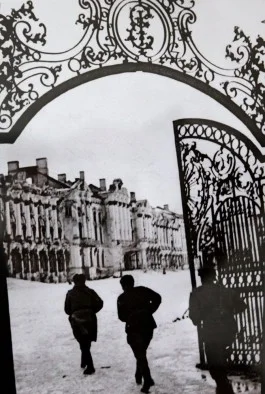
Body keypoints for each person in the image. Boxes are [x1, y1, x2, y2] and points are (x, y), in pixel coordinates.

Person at [189, 266, 247, 394]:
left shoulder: (196, 293)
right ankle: (223, 382)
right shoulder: (225, 291)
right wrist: (227, 311)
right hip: (229, 330)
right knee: (220, 357)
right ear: (214, 276)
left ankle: (224, 386)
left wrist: (204, 315)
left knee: (214, 364)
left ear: (201, 277)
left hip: (211, 332)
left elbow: (194, 318)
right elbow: (242, 306)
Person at [117, 275, 161, 393]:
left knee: (140, 353)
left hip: (133, 327)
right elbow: (158, 297)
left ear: (123, 285)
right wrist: (149, 310)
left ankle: (147, 379)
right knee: (141, 352)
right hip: (148, 325)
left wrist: (131, 317)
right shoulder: (142, 290)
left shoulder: (121, 298)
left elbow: (121, 317)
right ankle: (139, 374)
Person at [64, 273, 103, 375]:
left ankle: (90, 366)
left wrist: (75, 312)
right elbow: (100, 302)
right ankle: (84, 360)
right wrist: (92, 310)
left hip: (76, 319)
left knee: (82, 341)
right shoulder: (90, 292)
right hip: (90, 318)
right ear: (84, 281)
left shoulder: (70, 293)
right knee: (86, 341)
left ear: (74, 282)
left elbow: (67, 310)